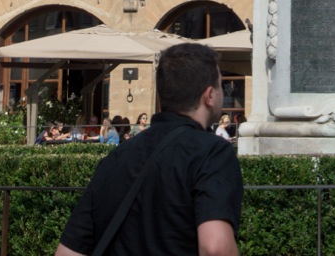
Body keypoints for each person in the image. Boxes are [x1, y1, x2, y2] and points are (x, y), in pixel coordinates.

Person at [55, 42, 242, 256]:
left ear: (162, 96)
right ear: (209, 95)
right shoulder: (212, 153)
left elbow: (66, 252)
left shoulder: (115, 158)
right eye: (220, 86)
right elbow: (215, 248)